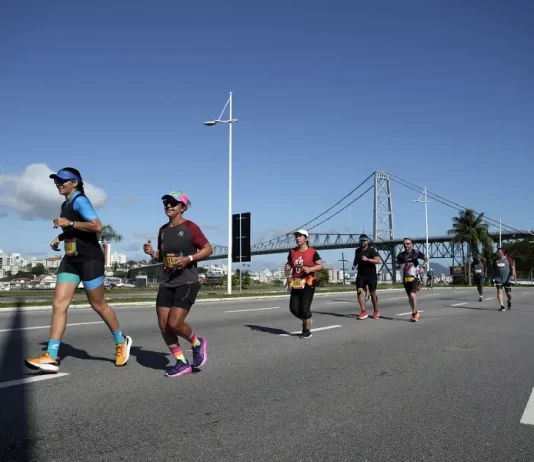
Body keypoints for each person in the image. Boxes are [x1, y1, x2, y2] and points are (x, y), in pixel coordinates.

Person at [25, 168, 132, 373]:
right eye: (56, 180)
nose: (59, 183)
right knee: (58, 304)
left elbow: (96, 226)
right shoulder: (65, 204)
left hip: (90, 259)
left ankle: (121, 341)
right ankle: (51, 355)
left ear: (75, 182)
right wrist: (62, 237)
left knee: (98, 304)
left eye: (63, 180)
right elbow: (75, 230)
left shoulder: (80, 200)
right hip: (71, 259)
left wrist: (69, 222)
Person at [143, 190, 212, 377]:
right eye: (166, 202)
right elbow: (164, 258)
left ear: (183, 207)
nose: (168, 206)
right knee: (164, 325)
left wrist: (189, 258)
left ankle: (197, 343)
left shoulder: (190, 227)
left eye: (173, 203)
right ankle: (181, 362)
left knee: (175, 323)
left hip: (187, 281)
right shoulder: (163, 230)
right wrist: (152, 253)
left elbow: (208, 249)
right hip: (167, 281)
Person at [285, 229, 323, 338]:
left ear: (306, 238)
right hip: (296, 282)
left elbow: (320, 265)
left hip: (308, 282)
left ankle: (306, 330)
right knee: (294, 309)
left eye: (300, 236)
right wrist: (287, 267)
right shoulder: (292, 252)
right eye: (296, 236)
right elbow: (289, 264)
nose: (297, 238)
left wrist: (310, 268)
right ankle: (307, 319)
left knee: (305, 308)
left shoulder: (312, 252)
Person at [396, 238, 427, 322]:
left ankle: (414, 314)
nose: (406, 245)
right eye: (405, 244)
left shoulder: (416, 252)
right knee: (410, 297)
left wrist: (423, 268)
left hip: (415, 277)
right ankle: (415, 312)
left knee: (412, 294)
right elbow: (397, 265)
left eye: (408, 243)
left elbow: (426, 259)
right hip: (406, 278)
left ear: (411, 244)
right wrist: (401, 266)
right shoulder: (400, 255)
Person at [352, 234, 381, 320]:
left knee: (372, 293)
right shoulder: (357, 251)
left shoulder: (371, 250)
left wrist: (368, 259)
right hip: (361, 275)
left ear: (367, 241)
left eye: (364, 240)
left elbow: (378, 260)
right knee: (359, 291)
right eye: (361, 240)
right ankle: (363, 312)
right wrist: (354, 265)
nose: (363, 242)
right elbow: (356, 259)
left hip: (371, 276)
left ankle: (376, 311)